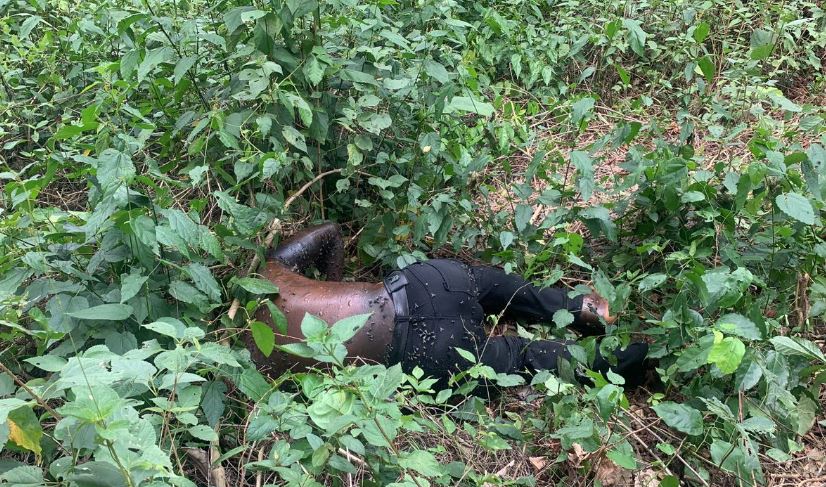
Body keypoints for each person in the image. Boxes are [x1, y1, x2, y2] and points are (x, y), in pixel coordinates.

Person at [248, 222, 649, 386]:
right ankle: (582, 306)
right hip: (417, 289)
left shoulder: (257, 371)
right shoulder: (271, 273)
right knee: (494, 285)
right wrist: (331, 286)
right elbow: (329, 233)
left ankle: (619, 363)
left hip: (417, 354)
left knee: (521, 357)